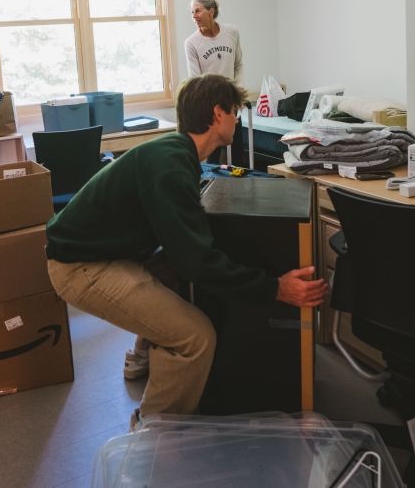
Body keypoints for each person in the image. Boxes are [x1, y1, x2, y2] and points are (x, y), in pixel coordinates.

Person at [45, 74, 328, 426]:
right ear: (217, 114)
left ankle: (143, 356)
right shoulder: (171, 164)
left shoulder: (175, 153)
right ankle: (155, 432)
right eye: (235, 112)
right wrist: (276, 288)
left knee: (173, 276)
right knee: (195, 337)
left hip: (105, 252)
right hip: (81, 266)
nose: (238, 120)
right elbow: (197, 262)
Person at [184, 0, 243, 91]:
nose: (194, 16)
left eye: (198, 11)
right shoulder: (191, 43)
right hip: (208, 101)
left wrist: (240, 91)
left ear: (211, 12)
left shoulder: (232, 32)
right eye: (192, 12)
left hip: (231, 98)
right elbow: (196, 81)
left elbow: (238, 65)